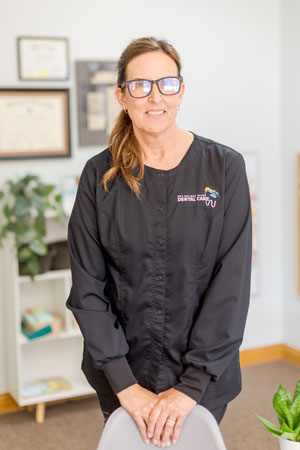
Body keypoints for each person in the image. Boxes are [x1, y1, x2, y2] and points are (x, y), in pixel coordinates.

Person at [66, 36, 252, 448]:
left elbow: (231, 286)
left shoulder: (224, 168)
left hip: (203, 379)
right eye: (140, 85)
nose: (155, 96)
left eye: (166, 83)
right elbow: (87, 289)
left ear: (181, 91)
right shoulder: (99, 177)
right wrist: (125, 385)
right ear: (122, 95)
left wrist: (191, 386)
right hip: (122, 378)